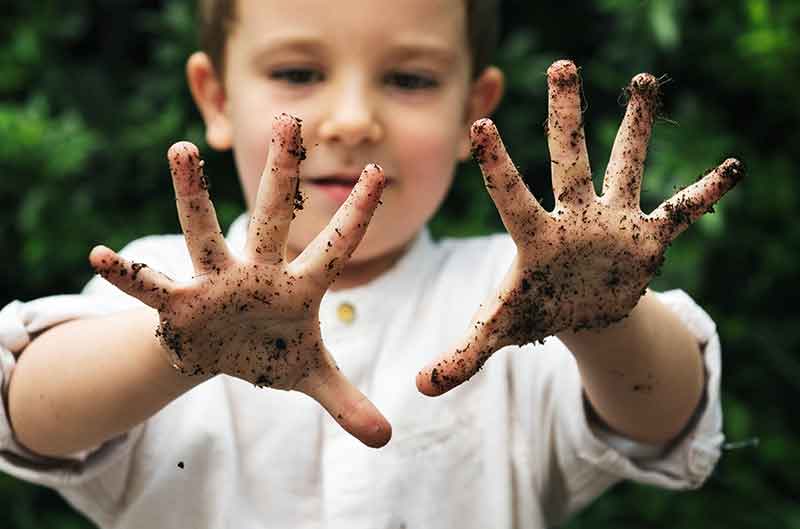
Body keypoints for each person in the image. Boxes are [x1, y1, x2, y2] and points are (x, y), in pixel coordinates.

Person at [0, 0, 743, 527]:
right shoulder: (164, 288)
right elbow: (26, 413)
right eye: (297, 71)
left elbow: (667, 419)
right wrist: (177, 346)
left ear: (470, 109)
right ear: (215, 97)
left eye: (410, 79)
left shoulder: (508, 298)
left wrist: (601, 314)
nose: (352, 118)